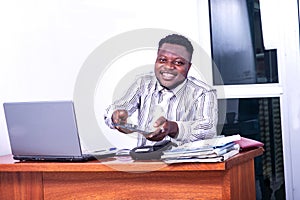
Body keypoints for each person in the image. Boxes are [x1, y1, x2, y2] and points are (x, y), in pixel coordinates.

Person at [104, 34, 218, 146]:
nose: (168, 67)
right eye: (163, 60)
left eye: (178, 62)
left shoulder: (203, 92)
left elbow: (208, 130)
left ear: (188, 67)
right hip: (146, 162)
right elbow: (118, 108)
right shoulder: (143, 84)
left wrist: (173, 128)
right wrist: (116, 115)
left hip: (186, 163)